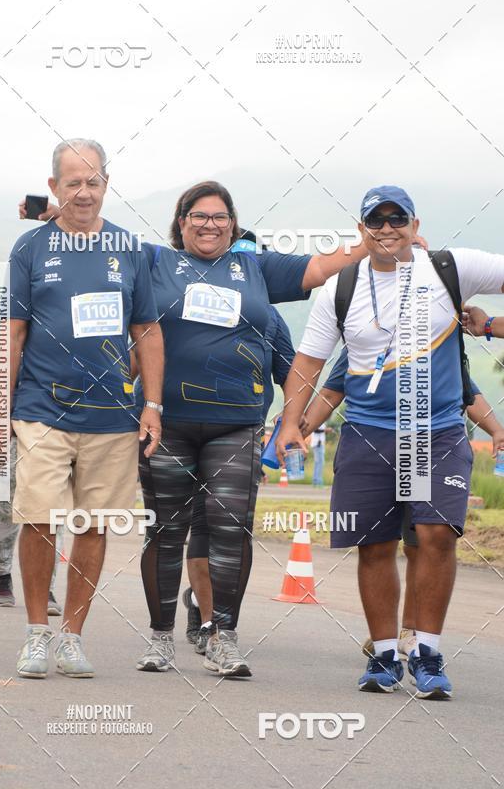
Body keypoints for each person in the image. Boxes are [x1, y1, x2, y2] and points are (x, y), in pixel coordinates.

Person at [134, 180, 371, 677]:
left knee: (229, 528)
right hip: (167, 422)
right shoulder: (155, 262)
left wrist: (372, 243)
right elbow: (102, 246)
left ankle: (223, 636)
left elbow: (321, 266)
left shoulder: (255, 268)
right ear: (181, 223)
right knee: (168, 531)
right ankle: (160, 639)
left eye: (220, 217)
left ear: (233, 225)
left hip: (236, 424)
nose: (210, 224)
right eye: (199, 216)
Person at [277, 184, 504, 699]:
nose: (386, 229)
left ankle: (427, 653)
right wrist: (292, 422)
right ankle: (383, 657)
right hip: (368, 433)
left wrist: (491, 325)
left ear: (414, 226)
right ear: (361, 231)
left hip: (437, 431)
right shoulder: (341, 288)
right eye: (375, 222)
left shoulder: (451, 267)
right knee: (374, 546)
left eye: (396, 219)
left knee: (436, 537)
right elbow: (310, 363)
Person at [10, 138, 164, 679]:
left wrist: (152, 404)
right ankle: (36, 633)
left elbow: (146, 328)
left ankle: (72, 637)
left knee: (92, 524)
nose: (83, 191)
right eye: (72, 181)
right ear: (53, 187)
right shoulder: (30, 248)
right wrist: (2, 405)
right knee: (40, 518)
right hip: (41, 407)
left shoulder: (129, 248)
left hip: (111, 415)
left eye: (93, 181)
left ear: (106, 185)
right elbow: (15, 330)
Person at [302, 347, 504, 659]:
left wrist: (496, 429)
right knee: (378, 545)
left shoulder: (436, 340)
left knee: (421, 544)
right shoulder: (361, 337)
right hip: (373, 447)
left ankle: (410, 631)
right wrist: (299, 425)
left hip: (428, 449)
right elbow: (331, 392)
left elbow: (469, 392)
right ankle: (383, 639)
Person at [182, 299, 297, 656]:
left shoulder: (268, 316)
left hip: (240, 433)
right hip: (182, 430)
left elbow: (292, 371)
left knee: (231, 529)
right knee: (200, 526)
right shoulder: (184, 301)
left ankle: (219, 624)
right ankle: (205, 618)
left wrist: (289, 420)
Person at [0, 432, 63, 614]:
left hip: (59, 437)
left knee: (53, 515)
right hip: (15, 435)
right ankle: (2, 574)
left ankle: (46, 589)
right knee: (6, 511)